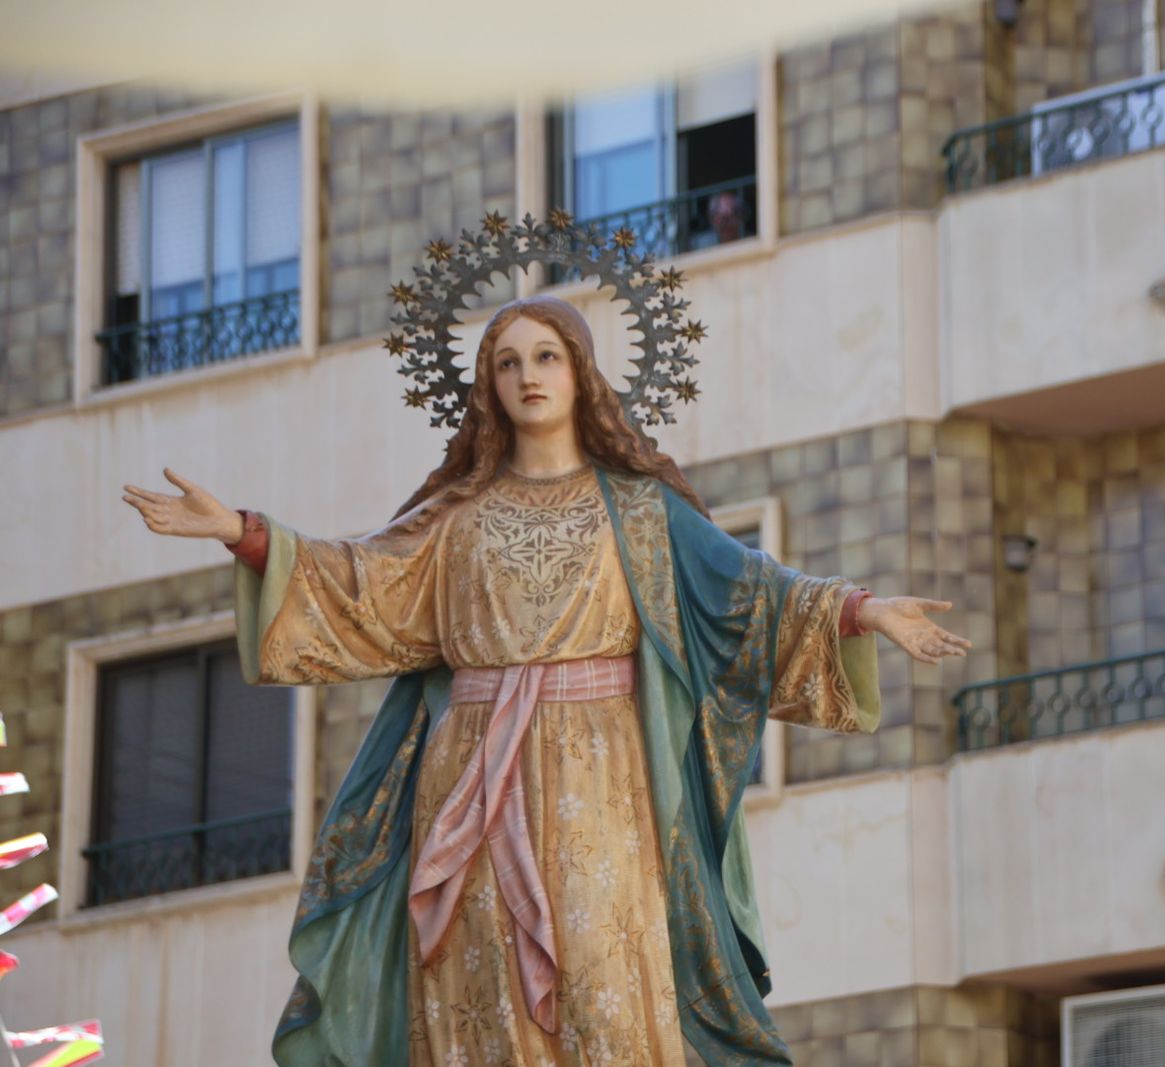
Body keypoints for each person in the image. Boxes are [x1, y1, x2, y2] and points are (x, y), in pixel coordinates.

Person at [120, 295, 972, 1067]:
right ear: (487, 386)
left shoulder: (637, 509)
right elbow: (358, 588)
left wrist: (861, 610)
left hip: (603, 777)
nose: (528, 375)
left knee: (604, 985)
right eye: (507, 361)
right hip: (473, 776)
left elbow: (745, 596)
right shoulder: (454, 515)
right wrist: (243, 531)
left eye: (547, 356)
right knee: (478, 989)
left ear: (581, 373)